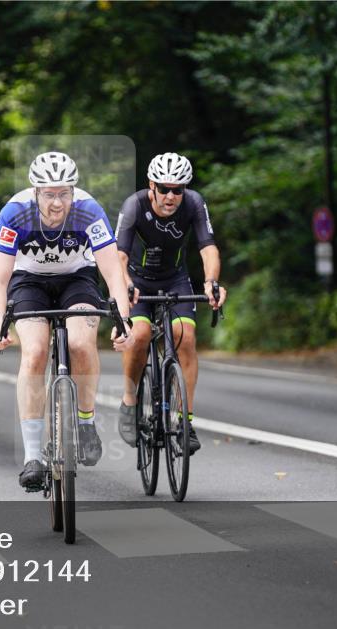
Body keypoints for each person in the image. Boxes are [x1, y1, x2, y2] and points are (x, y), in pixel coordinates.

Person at [0, 151, 133, 492]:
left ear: (73, 192)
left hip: (76, 278)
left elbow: (113, 273)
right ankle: (33, 457)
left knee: (81, 342)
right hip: (29, 281)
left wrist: (123, 321)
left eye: (64, 193)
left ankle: (85, 422)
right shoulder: (15, 212)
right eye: (49, 194)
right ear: (35, 192)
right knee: (35, 352)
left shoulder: (89, 210)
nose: (57, 203)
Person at [115, 152, 227, 455]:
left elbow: (208, 248)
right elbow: (119, 256)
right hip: (136, 282)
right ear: (151, 185)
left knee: (185, 338)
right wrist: (124, 283)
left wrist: (211, 283)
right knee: (138, 336)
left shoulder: (193, 203)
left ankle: (184, 422)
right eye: (164, 188)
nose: (171, 196)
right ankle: (129, 400)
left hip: (174, 280)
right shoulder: (134, 205)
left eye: (178, 189)